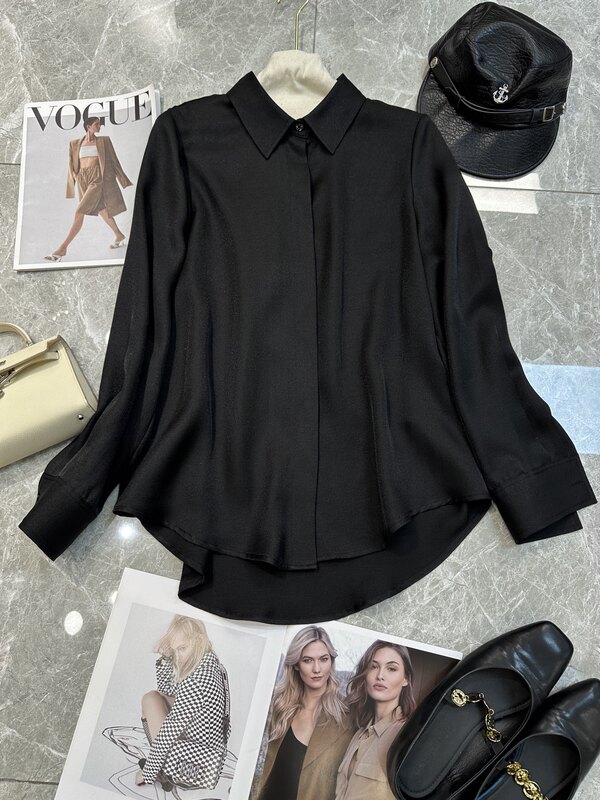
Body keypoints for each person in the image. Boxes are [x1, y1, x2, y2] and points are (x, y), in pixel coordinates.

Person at [255, 625, 354, 800]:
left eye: (323, 659)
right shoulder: (281, 706)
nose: (317, 669)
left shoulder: (346, 717)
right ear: (296, 665)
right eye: (307, 660)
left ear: (331, 662)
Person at [134, 615, 231, 791]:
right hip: (209, 761)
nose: (177, 657)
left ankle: (164, 772)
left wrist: (147, 774)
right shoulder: (214, 666)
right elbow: (167, 691)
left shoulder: (195, 682)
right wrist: (166, 658)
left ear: (199, 640)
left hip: (192, 770)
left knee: (150, 699)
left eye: (182, 648)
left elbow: (168, 733)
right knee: (158, 696)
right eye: (175, 650)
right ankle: (162, 767)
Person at [335, 640, 416, 800]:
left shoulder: (407, 735)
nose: (380, 676)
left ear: (405, 679)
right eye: (373, 667)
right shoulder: (359, 735)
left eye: (391, 669)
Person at [44, 115, 133, 262]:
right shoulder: (75, 144)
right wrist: (76, 176)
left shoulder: (104, 141)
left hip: (98, 179)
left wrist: (123, 179)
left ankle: (62, 249)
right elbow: (72, 164)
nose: (99, 126)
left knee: (80, 211)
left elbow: (114, 160)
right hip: (83, 180)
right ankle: (119, 235)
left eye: (100, 124)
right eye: (97, 124)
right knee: (101, 209)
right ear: (88, 126)